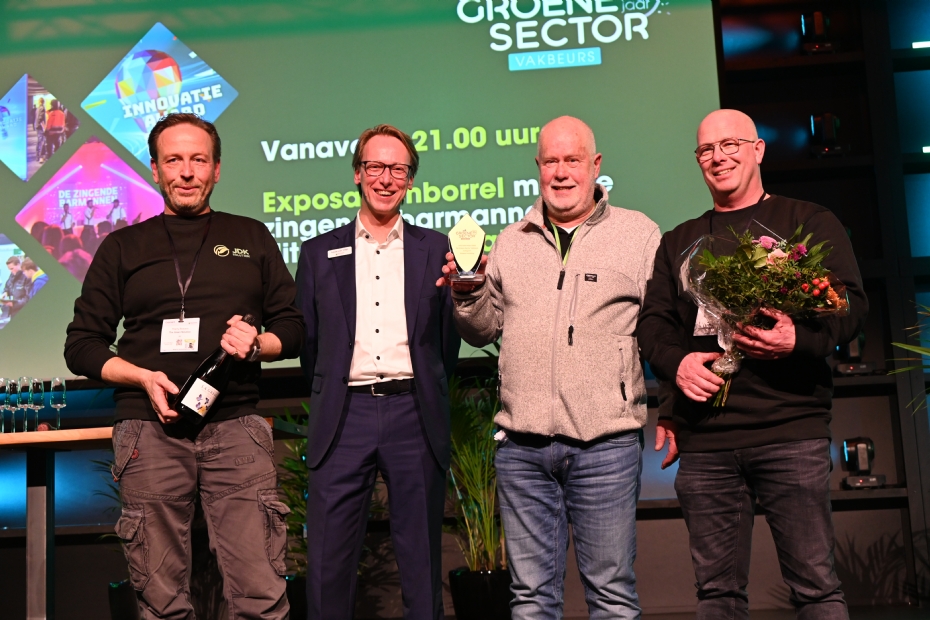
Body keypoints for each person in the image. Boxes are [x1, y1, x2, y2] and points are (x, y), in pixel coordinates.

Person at [64, 113, 304, 619]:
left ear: (217, 169)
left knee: (261, 596)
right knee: (161, 602)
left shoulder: (251, 235)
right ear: (155, 170)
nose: (187, 172)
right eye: (174, 160)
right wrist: (141, 377)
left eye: (199, 160)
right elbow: (82, 345)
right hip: (149, 431)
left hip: (236, 426)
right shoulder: (122, 246)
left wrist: (259, 343)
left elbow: (294, 326)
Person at [636, 109, 868, 620]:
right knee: (716, 594)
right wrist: (677, 364)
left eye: (730, 145)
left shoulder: (808, 222)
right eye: (706, 150)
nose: (718, 157)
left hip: (790, 430)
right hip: (706, 441)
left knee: (816, 589)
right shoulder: (679, 241)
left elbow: (850, 306)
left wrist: (796, 338)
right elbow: (653, 325)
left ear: (758, 150)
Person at [443, 116, 660, 619]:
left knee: (611, 594)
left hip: (606, 443)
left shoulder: (638, 234)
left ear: (595, 165)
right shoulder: (510, 240)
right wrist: (466, 295)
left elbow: (662, 328)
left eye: (573, 160)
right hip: (522, 449)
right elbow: (482, 330)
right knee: (531, 599)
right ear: (537, 166)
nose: (561, 173)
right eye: (551, 161)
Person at [296, 123, 459, 620]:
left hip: (414, 413)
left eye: (398, 170)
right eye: (375, 167)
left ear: (410, 180)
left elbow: (447, 342)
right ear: (357, 173)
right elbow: (310, 346)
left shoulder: (438, 248)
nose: (386, 179)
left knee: (422, 565)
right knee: (327, 567)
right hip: (343, 416)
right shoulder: (318, 252)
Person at [34, 97, 46, 163]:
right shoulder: (42, 108)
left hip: (37, 126)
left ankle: (37, 156)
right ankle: (40, 156)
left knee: (39, 141)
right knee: (41, 141)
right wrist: (43, 127)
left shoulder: (38, 108)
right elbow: (40, 118)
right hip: (40, 126)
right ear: (43, 101)